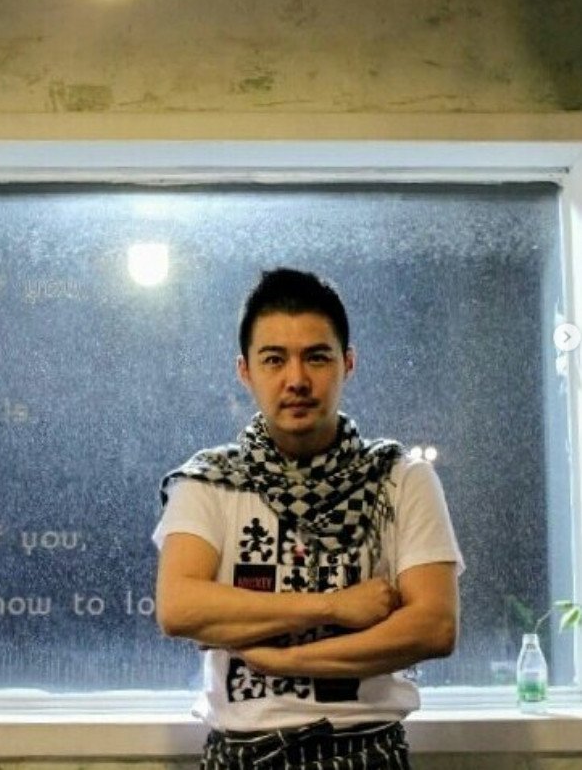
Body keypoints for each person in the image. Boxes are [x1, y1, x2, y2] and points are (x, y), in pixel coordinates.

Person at [153, 267, 463, 769]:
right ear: (245, 371)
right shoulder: (209, 481)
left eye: (316, 357)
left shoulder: (401, 478)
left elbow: (434, 626)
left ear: (348, 363)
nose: (296, 380)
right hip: (241, 754)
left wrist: (286, 660)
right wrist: (333, 607)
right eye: (274, 360)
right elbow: (180, 609)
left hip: (368, 750)